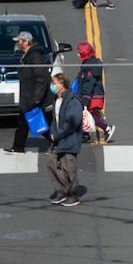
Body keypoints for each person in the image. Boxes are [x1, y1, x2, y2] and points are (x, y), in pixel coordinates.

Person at [7, 31, 51, 154]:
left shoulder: (35, 56)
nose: (17, 44)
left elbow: (41, 77)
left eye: (19, 41)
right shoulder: (26, 55)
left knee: (39, 124)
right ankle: (18, 147)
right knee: (23, 123)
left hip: (33, 97)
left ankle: (57, 142)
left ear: (26, 42)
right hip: (27, 96)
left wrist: (37, 98)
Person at [47, 73, 84, 207]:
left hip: (70, 139)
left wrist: (57, 135)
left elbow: (72, 123)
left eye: (55, 83)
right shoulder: (57, 99)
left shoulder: (73, 100)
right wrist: (52, 132)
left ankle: (73, 194)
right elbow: (55, 119)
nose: (52, 86)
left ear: (62, 84)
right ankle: (62, 191)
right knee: (52, 162)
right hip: (58, 139)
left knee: (69, 167)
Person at [75, 42, 115, 144]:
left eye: (79, 52)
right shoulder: (92, 63)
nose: (78, 54)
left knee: (90, 115)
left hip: (92, 96)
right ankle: (86, 134)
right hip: (97, 95)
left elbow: (88, 83)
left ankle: (107, 128)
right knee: (92, 114)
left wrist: (85, 98)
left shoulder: (89, 67)